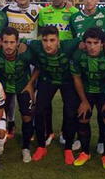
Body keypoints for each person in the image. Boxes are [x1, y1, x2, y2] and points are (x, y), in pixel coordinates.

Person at [26, 26, 82, 162]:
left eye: (52, 40)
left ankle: (68, 148)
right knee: (39, 111)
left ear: (58, 40)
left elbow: (88, 39)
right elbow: (20, 40)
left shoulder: (68, 45)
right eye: (45, 40)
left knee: (70, 113)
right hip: (48, 80)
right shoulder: (36, 45)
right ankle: (41, 146)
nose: (48, 44)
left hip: (67, 81)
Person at [0, 27, 37, 162]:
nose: (9, 46)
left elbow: (39, 66)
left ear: (17, 42)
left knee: (26, 116)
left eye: (12, 42)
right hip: (4, 89)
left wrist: (31, 83)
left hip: (23, 87)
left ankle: (26, 148)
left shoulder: (25, 52)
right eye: (6, 42)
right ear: (0, 42)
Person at [70, 27, 105, 169]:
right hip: (87, 91)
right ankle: (85, 152)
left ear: (102, 43)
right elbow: (76, 78)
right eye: (89, 43)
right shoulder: (78, 55)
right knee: (83, 117)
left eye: (95, 43)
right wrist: (83, 101)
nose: (92, 46)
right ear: (84, 43)